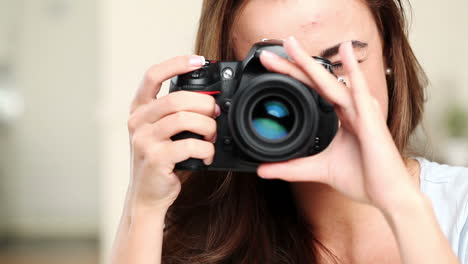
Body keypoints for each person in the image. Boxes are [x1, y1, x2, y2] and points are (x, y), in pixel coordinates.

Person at [111, 0, 468, 263]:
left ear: (389, 53)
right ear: (231, 90)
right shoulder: (204, 229)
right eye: (279, 78)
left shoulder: (460, 209)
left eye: (338, 65)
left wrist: (402, 203)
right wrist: (142, 208)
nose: (314, 95)